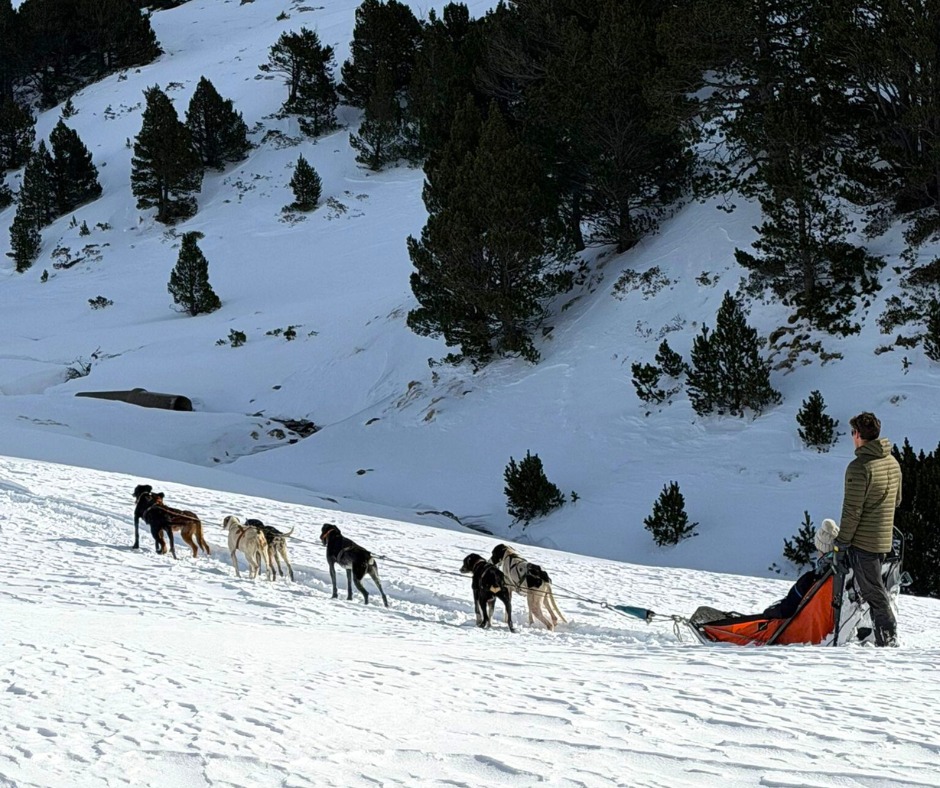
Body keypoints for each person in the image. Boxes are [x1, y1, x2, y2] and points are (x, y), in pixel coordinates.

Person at [833, 412, 902, 647]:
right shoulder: (892, 462)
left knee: (874, 593)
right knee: (874, 590)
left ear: (857, 435)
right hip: (884, 539)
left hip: (864, 543)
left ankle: (888, 639)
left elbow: (852, 511)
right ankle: (873, 634)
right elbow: (897, 500)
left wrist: (841, 543)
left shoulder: (859, 467)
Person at [762, 518, 839, 619]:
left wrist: (768, 613)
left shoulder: (811, 579)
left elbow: (786, 609)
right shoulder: (843, 574)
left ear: (822, 550)